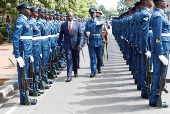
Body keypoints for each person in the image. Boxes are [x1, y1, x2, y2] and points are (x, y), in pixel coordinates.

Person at [12, 1, 37, 105]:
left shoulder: (25, 21)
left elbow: (28, 39)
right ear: (22, 10)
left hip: (26, 53)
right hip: (22, 53)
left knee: (26, 74)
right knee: (22, 76)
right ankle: (23, 98)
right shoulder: (20, 21)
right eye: (27, 9)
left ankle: (26, 95)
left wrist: (30, 54)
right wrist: (17, 56)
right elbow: (16, 38)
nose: (29, 10)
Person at [149, 0, 169, 108]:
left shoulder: (160, 14)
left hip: (164, 47)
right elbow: (157, 37)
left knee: (160, 74)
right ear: (159, 3)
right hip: (161, 49)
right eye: (164, 1)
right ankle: (155, 99)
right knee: (159, 74)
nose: (166, 3)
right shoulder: (157, 16)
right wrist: (160, 53)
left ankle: (155, 97)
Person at [58, 12, 83, 82]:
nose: (69, 18)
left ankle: (75, 70)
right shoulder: (63, 25)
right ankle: (69, 75)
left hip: (75, 44)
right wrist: (59, 44)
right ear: (67, 17)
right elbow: (60, 36)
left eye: (71, 16)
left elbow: (81, 35)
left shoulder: (77, 24)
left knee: (75, 58)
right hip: (67, 44)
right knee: (69, 58)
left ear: (73, 16)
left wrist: (80, 44)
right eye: (68, 16)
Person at [28, 6, 44, 95]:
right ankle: (33, 88)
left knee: (37, 67)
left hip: (37, 48)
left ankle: (36, 88)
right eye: (35, 11)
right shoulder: (30, 22)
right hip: (33, 49)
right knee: (33, 68)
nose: (37, 13)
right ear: (31, 13)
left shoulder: (34, 22)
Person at [85, 8, 104, 77]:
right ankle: (93, 71)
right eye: (91, 13)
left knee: (99, 57)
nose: (93, 14)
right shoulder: (88, 22)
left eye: (94, 13)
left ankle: (98, 67)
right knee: (92, 57)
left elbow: (101, 23)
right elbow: (85, 31)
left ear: (96, 13)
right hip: (91, 41)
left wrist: (98, 22)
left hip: (98, 40)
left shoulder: (100, 20)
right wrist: (86, 33)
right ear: (90, 14)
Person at [139, 0, 153, 99]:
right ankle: (145, 90)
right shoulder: (145, 14)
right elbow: (144, 33)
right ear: (146, 1)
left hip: (149, 44)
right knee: (146, 67)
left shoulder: (147, 13)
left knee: (147, 67)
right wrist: (145, 49)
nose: (152, 1)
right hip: (148, 45)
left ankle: (146, 89)